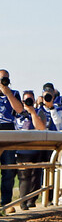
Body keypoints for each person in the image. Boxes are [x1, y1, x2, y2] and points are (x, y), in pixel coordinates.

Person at [14, 90, 46, 210]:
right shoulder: (17, 113)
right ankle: (23, 202)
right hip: (21, 151)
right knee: (23, 177)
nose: (28, 102)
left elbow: (41, 127)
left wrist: (32, 111)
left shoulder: (39, 112)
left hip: (36, 150)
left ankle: (32, 200)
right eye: (26, 100)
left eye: (30, 100)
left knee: (36, 178)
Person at [0, 70, 22, 214]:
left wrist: (7, 93)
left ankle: (6, 203)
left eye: (5, 79)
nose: (3, 81)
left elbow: (19, 109)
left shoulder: (14, 93)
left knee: (8, 170)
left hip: (8, 131)